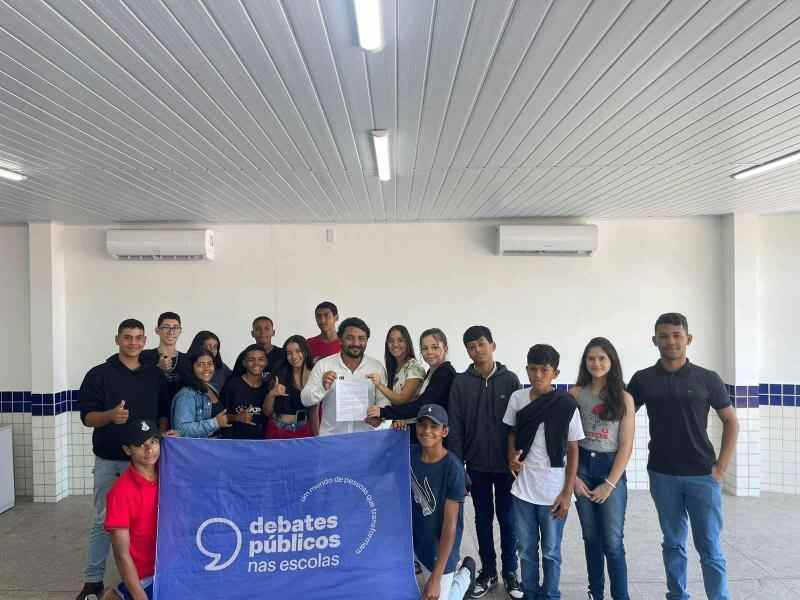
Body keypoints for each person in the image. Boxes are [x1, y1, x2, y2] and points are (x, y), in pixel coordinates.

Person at [627, 313, 738, 600]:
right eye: (664, 336)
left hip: (703, 474)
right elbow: (620, 417)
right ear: (654, 341)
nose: (671, 341)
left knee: (710, 547)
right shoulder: (643, 380)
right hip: (662, 475)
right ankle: (677, 595)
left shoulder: (707, 378)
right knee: (673, 543)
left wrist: (721, 467)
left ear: (688, 339)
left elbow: (731, 421)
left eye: (677, 335)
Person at [75, 319, 170, 600]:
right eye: (127, 337)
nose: (133, 343)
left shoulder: (154, 375)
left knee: (149, 520)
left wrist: (162, 440)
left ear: (144, 341)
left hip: (149, 462)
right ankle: (93, 581)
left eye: (139, 338)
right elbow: (87, 417)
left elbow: (163, 412)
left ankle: (140, 574)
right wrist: (110, 416)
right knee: (106, 521)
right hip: (111, 460)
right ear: (117, 339)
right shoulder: (99, 374)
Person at [447, 325, 522, 599]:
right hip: (475, 465)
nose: (476, 350)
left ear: (492, 345)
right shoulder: (461, 382)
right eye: (470, 346)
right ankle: (488, 571)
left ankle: (511, 572)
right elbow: (454, 426)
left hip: (505, 467)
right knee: (482, 519)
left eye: (480, 344)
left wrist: (517, 459)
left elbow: (519, 424)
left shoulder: (510, 379)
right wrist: (457, 466)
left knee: (508, 519)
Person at [504, 344, 584, 600]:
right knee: (526, 549)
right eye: (533, 369)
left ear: (556, 373)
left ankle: (550, 595)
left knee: (551, 551)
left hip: (553, 492)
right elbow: (512, 433)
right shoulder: (518, 398)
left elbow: (572, 449)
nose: (537, 375)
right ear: (526, 369)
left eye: (544, 370)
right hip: (523, 491)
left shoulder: (565, 403)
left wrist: (567, 493)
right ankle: (530, 593)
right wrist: (511, 459)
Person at [570, 338, 635, 600]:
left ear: (612, 362)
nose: (596, 363)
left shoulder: (624, 398)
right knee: (591, 538)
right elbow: (567, 441)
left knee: (613, 541)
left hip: (611, 469)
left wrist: (610, 484)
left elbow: (626, 446)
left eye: (602, 358)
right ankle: (595, 593)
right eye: (591, 358)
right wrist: (573, 477)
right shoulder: (575, 394)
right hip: (582, 465)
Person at [411, 404, 477, 600]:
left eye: (434, 426)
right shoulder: (410, 454)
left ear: (444, 431)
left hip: (441, 551)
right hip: (418, 543)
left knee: (437, 595)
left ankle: (465, 574)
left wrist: (436, 577)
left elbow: (450, 525)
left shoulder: (453, 468)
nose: (427, 431)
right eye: (422, 425)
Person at [101, 419, 161, 600]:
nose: (149, 449)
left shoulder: (169, 473)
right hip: (146, 577)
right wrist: (139, 597)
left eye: (153, 441)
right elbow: (122, 554)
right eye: (139, 444)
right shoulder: (120, 493)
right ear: (128, 450)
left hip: (173, 568)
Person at [300, 317, 389, 436]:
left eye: (361, 338)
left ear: (367, 341)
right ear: (340, 339)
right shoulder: (324, 365)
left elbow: (384, 402)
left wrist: (379, 417)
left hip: (366, 440)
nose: (356, 343)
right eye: (350, 338)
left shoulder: (376, 367)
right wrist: (322, 386)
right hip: (332, 440)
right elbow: (305, 399)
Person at [368, 328, 457, 444]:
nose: (429, 352)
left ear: (445, 348)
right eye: (425, 348)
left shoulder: (445, 373)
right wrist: (401, 420)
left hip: (434, 438)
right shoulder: (432, 372)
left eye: (435, 347)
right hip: (420, 433)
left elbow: (422, 406)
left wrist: (383, 412)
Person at [263, 335, 315, 439]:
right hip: (278, 431)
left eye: (298, 351)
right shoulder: (279, 374)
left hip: (304, 431)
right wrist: (272, 394)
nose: (294, 356)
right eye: (289, 353)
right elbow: (267, 412)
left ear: (305, 351)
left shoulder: (315, 374)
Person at [171, 349, 231, 438]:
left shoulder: (211, 389)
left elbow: (220, 418)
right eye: (200, 365)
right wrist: (215, 423)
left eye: (210, 364)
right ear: (191, 368)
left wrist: (235, 417)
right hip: (197, 449)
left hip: (215, 447)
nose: (206, 368)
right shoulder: (187, 394)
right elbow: (181, 429)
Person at [219, 344, 271, 439]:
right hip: (235, 443)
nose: (256, 363)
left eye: (261, 359)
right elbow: (218, 416)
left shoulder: (268, 387)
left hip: (262, 444)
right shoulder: (232, 385)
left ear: (266, 362)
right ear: (244, 363)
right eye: (251, 360)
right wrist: (236, 417)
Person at [368, 325, 426, 406]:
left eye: (400, 340)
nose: (395, 344)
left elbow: (402, 400)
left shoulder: (414, 367)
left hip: (412, 418)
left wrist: (379, 385)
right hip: (397, 417)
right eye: (391, 341)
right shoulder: (394, 368)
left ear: (407, 343)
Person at [140, 311, 186, 399]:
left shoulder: (187, 360)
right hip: (152, 410)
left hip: (179, 411)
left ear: (180, 331)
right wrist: (157, 369)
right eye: (166, 327)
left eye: (175, 327)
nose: (171, 332)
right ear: (157, 330)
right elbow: (137, 385)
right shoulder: (144, 356)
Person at [185, 330, 231, 395]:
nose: (212, 350)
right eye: (208, 346)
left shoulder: (222, 368)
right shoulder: (185, 364)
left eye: (215, 347)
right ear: (199, 346)